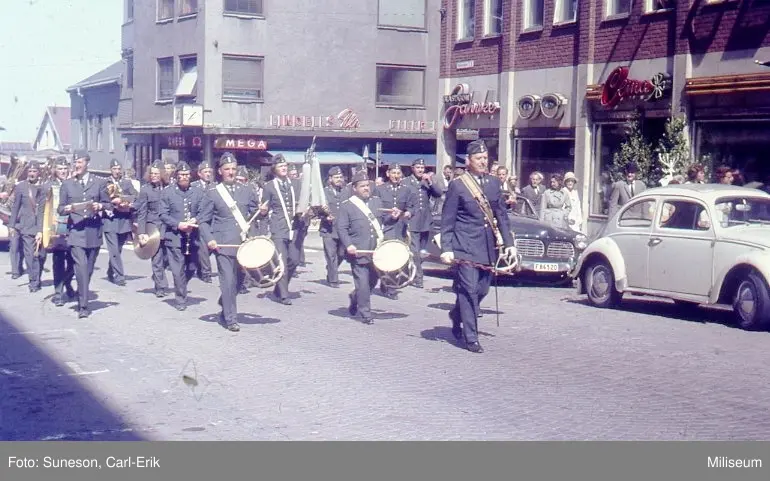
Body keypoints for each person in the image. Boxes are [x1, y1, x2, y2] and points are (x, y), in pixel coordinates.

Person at [440, 140, 516, 353]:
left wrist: (509, 244)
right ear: (468, 161)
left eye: (485, 158)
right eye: (478, 159)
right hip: (464, 244)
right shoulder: (458, 185)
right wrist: (447, 247)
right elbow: (448, 218)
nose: (483, 162)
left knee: (482, 290)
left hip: (486, 245)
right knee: (469, 289)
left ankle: (457, 314)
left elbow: (501, 214)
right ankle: (470, 337)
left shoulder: (493, 183)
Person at [198, 152, 259, 332]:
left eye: (233, 169)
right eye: (227, 169)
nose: (231, 172)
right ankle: (230, 319)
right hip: (223, 244)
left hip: (243, 244)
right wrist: (210, 240)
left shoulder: (247, 189)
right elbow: (203, 220)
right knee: (228, 280)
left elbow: (254, 214)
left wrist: (262, 212)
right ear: (220, 171)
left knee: (239, 281)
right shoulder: (213, 193)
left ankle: (225, 301)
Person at [57, 151, 111, 318]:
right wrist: (67, 209)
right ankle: (83, 306)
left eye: (79, 162)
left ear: (87, 162)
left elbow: (108, 204)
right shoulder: (67, 184)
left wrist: (99, 206)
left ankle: (80, 289)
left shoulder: (99, 183)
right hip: (76, 232)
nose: (77, 165)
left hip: (94, 231)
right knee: (80, 267)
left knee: (87, 270)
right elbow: (60, 208)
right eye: (75, 162)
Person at [338, 170, 394, 325]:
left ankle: (355, 297)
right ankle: (365, 313)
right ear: (354, 188)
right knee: (362, 283)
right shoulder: (347, 206)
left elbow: (384, 221)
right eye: (362, 186)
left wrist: (394, 217)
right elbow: (341, 228)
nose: (366, 188)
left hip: (375, 251)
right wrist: (348, 244)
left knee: (372, 282)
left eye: (367, 185)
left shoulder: (376, 202)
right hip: (358, 251)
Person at [159, 161, 207, 311]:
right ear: (177, 176)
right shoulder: (168, 192)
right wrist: (178, 225)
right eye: (181, 175)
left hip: (193, 237)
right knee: (177, 269)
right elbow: (163, 214)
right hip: (174, 237)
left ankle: (181, 285)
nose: (184, 177)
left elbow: (203, 211)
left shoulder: (198, 192)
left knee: (192, 266)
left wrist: (195, 220)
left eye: (187, 175)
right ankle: (180, 299)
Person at [258, 154, 303, 305]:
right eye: (280, 166)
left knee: (294, 260)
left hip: (294, 227)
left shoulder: (295, 184)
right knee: (282, 261)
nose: (284, 168)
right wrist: (263, 212)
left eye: (285, 166)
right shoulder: (269, 186)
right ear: (274, 169)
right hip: (278, 228)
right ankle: (284, 294)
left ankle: (279, 287)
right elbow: (264, 210)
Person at [402, 158, 442, 289]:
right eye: (418, 167)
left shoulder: (427, 182)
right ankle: (418, 278)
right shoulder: (406, 182)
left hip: (425, 221)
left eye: (422, 168)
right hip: (412, 220)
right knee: (414, 250)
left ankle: (411, 272)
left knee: (421, 252)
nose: (420, 170)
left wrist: (430, 182)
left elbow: (438, 194)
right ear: (412, 168)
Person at [41, 156, 75, 306]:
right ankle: (58, 293)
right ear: (55, 170)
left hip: (73, 227)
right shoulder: (48, 186)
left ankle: (67, 282)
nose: (62, 171)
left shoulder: (74, 184)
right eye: (60, 169)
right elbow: (42, 210)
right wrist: (40, 231)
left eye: (65, 169)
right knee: (58, 262)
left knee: (75, 262)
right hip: (55, 229)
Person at [373, 163, 411, 300]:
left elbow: (411, 206)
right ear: (388, 174)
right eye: (393, 173)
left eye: (398, 173)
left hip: (401, 228)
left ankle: (389, 284)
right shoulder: (380, 189)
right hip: (386, 227)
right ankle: (389, 287)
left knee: (398, 257)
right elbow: (376, 209)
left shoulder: (406, 190)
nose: (396, 176)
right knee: (388, 257)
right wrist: (389, 216)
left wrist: (408, 213)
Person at [9, 160, 46, 292]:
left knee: (41, 256)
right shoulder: (21, 187)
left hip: (42, 227)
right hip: (26, 227)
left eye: (34, 171)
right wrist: (12, 225)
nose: (31, 174)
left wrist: (41, 230)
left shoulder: (44, 187)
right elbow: (15, 207)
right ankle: (33, 282)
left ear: (38, 172)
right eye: (29, 171)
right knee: (30, 255)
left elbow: (43, 210)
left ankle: (37, 277)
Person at [136, 160, 170, 297]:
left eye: (157, 173)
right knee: (156, 258)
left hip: (168, 227)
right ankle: (160, 287)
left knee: (167, 258)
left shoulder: (169, 188)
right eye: (152, 173)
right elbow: (142, 212)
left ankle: (158, 277)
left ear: (162, 174)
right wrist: (141, 232)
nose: (154, 176)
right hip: (153, 228)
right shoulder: (145, 190)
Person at [103, 159, 137, 286]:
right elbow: (102, 199)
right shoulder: (105, 183)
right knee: (114, 250)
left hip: (123, 220)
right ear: (110, 170)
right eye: (114, 169)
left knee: (118, 249)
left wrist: (127, 202)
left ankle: (110, 271)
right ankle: (119, 276)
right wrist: (113, 202)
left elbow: (135, 196)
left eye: (118, 169)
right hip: (110, 220)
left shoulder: (126, 183)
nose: (117, 171)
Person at [319, 166, 350, 288]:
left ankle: (331, 268)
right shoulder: (323, 192)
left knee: (342, 253)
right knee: (331, 254)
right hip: (328, 229)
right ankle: (333, 280)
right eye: (336, 177)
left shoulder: (346, 191)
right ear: (330, 178)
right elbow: (317, 210)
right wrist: (324, 217)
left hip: (342, 229)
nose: (339, 179)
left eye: (340, 177)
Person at [191, 160, 216, 283]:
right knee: (203, 246)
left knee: (211, 247)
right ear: (199, 174)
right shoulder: (194, 186)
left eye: (210, 172)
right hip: (199, 220)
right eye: (205, 172)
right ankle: (206, 273)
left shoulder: (215, 186)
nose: (208, 174)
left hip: (214, 221)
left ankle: (201, 267)